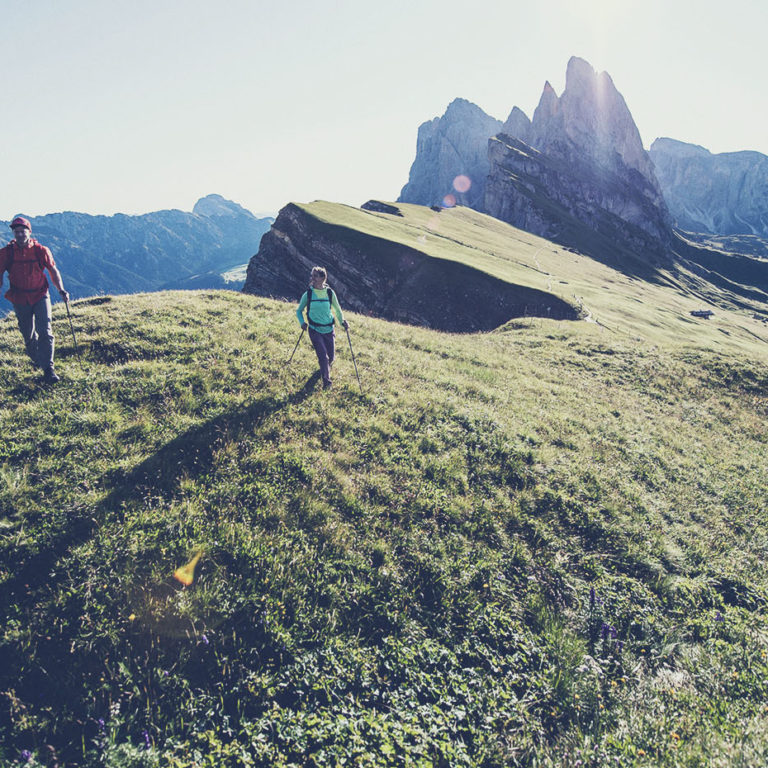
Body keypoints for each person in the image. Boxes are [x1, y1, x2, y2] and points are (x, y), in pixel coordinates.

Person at [0, 216, 70, 383]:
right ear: (13, 233)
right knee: (28, 334)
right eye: (16, 231)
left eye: (22, 231)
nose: (19, 234)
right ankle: (37, 359)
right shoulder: (6, 253)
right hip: (19, 297)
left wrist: (61, 290)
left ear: (29, 232)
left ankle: (49, 369)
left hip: (40, 295)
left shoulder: (41, 250)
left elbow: (53, 271)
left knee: (45, 330)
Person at [296, 266, 348, 389]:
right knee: (323, 357)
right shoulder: (308, 294)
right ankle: (327, 383)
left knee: (331, 357)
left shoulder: (330, 293)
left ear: (323, 278)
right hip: (314, 329)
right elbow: (299, 311)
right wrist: (302, 322)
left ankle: (323, 370)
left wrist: (343, 322)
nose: (311, 278)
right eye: (311, 275)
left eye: (314, 276)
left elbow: (337, 310)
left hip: (329, 329)